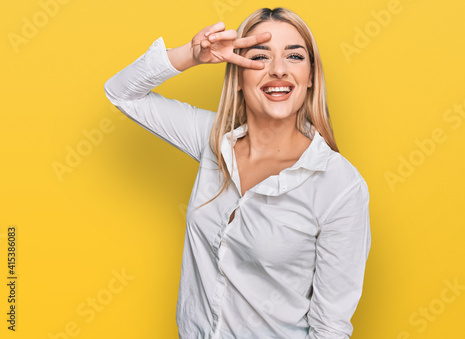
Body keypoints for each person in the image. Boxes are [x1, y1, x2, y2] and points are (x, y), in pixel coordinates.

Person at [104, 7, 371, 339]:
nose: (278, 70)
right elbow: (121, 93)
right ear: (239, 75)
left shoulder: (339, 186)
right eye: (260, 56)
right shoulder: (212, 140)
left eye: (294, 56)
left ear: (311, 77)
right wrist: (192, 54)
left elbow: (330, 327)